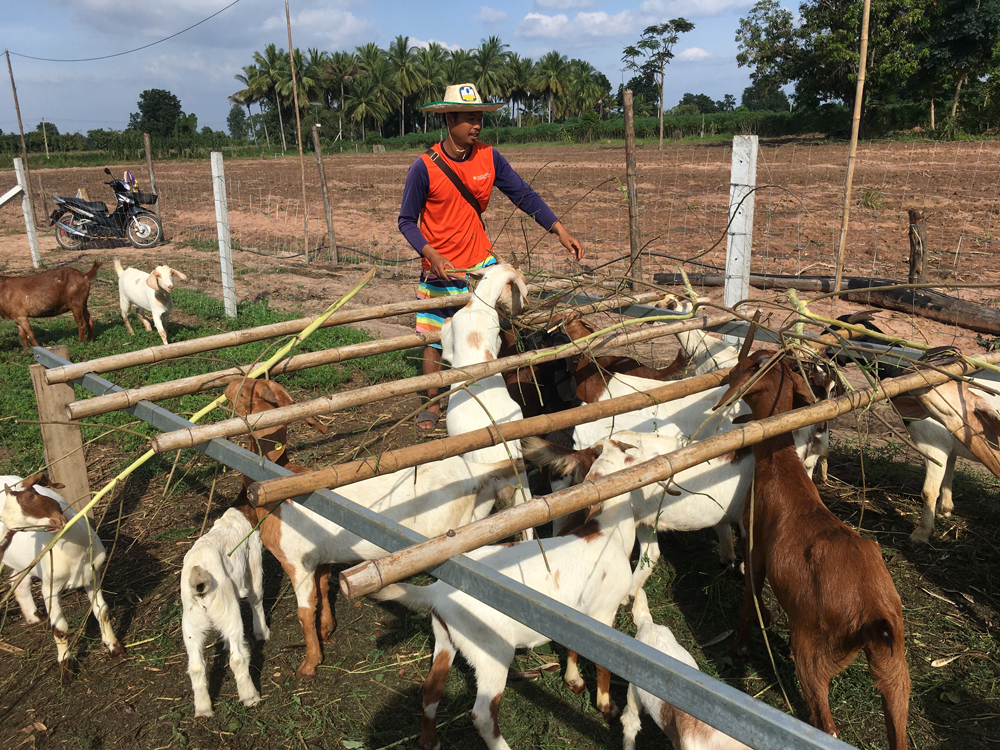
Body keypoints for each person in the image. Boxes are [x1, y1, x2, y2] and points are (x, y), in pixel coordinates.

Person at [398, 82, 584, 432]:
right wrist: (430, 253)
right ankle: (434, 403)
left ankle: (508, 389)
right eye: (469, 118)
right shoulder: (423, 168)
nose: (477, 125)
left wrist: (559, 229)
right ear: (449, 118)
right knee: (435, 339)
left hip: (481, 266)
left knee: (505, 326)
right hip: (441, 270)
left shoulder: (489, 157)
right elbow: (406, 220)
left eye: (480, 117)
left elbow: (523, 195)